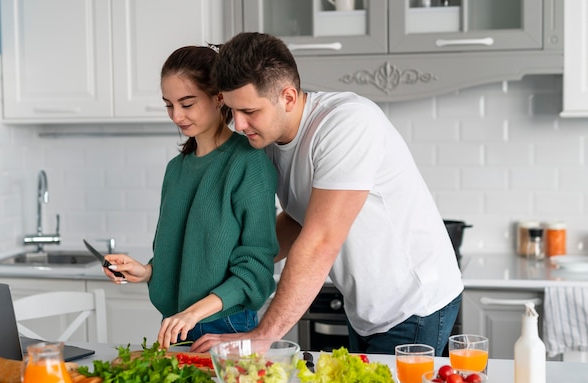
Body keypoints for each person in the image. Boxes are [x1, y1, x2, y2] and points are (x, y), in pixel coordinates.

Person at [191, 32, 464, 355]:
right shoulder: (270, 140)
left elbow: (320, 240)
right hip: (365, 308)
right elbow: (298, 218)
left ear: (288, 97)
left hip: (414, 304)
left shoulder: (346, 123)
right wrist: (230, 267)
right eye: (233, 111)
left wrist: (263, 334)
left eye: (249, 111)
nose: (239, 124)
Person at [102, 45, 279, 348]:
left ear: (218, 97)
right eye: (169, 105)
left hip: (226, 324)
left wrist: (193, 314)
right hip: (176, 325)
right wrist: (145, 271)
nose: (176, 116)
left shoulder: (249, 162)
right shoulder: (176, 169)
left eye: (187, 103)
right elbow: (186, 255)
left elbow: (256, 269)